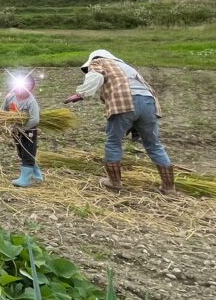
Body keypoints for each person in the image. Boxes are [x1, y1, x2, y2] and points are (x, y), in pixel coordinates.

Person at [64, 49, 175, 195]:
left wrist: (81, 94)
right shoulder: (127, 67)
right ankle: (169, 187)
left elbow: (95, 77)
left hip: (124, 103)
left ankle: (114, 182)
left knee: (113, 142)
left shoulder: (98, 62)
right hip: (149, 103)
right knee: (154, 145)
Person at [2, 73, 42, 187]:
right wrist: (6, 124)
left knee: (28, 151)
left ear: (30, 88)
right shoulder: (10, 97)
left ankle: (26, 179)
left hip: (29, 131)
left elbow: (35, 119)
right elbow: (2, 112)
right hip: (15, 130)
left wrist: (23, 128)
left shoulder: (31, 101)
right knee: (21, 152)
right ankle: (36, 173)